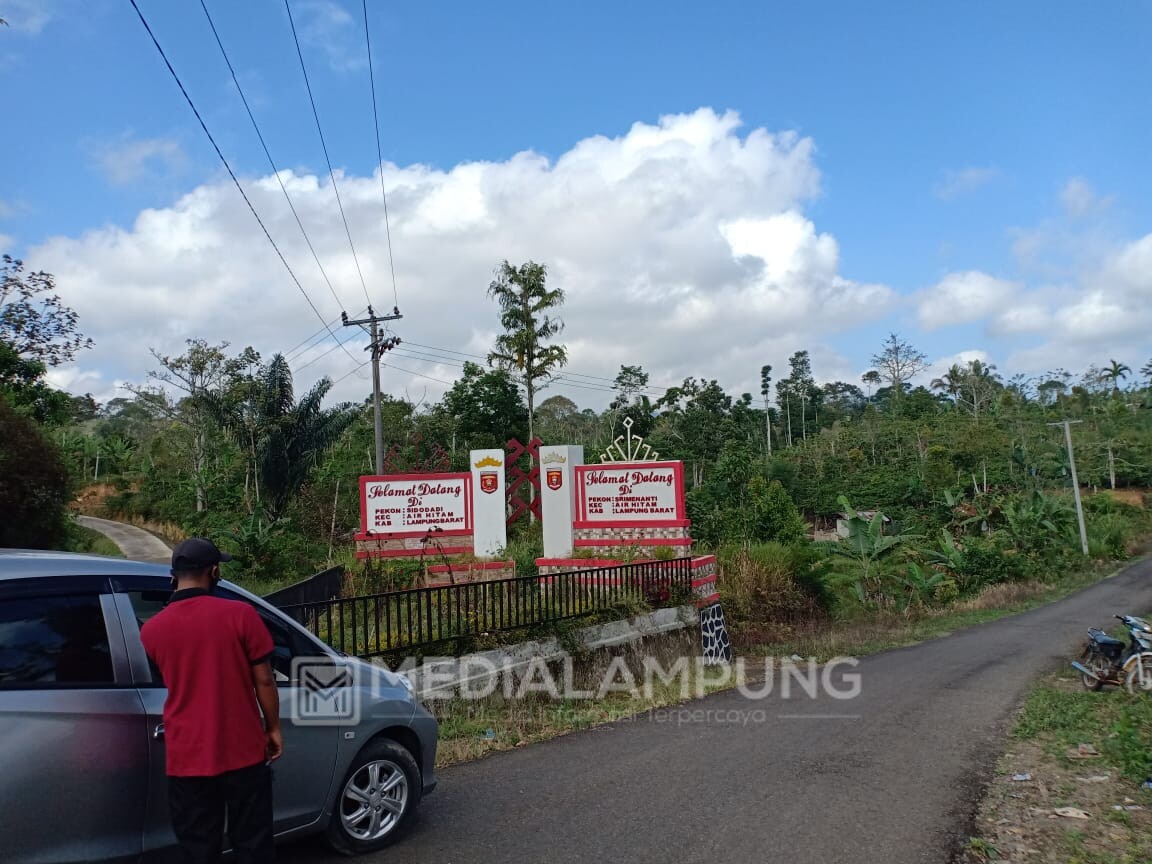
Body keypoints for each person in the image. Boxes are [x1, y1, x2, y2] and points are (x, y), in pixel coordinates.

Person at [141, 537, 283, 864]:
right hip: (243, 753)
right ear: (214, 571)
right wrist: (273, 727)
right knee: (253, 844)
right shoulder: (241, 615)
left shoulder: (152, 630)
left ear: (173, 575)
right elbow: (264, 678)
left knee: (198, 850)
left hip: (186, 757)